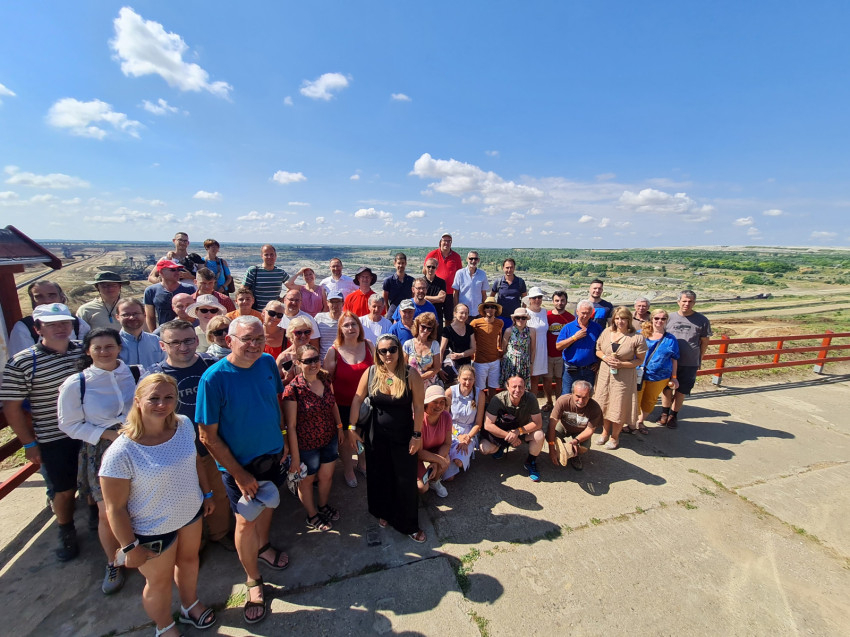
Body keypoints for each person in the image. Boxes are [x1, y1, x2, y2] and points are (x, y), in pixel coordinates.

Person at [100, 374, 216, 637]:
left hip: (190, 512)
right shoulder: (120, 452)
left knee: (189, 561)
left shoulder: (183, 424)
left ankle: (190, 605)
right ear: (138, 401)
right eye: (154, 398)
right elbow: (114, 508)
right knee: (158, 582)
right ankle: (164, 626)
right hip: (152, 529)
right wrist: (130, 546)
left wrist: (207, 493)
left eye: (168, 397)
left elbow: (195, 460)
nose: (162, 404)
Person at [196, 316, 289, 625]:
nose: (254, 345)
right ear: (229, 341)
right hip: (241, 467)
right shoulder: (213, 379)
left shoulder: (267, 363)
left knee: (268, 506)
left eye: (259, 339)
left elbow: (274, 402)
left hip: (272, 456)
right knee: (245, 522)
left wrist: (283, 439)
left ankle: (263, 547)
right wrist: (239, 474)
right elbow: (207, 436)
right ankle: (252, 580)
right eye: (247, 339)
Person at [57, 327, 139, 594]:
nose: (104, 352)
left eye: (110, 346)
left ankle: (143, 551)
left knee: (139, 503)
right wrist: (108, 434)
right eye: (98, 348)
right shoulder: (77, 383)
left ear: (119, 348)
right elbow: (68, 424)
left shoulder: (135, 373)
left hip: (138, 444)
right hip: (101, 449)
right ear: (88, 351)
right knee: (108, 510)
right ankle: (113, 562)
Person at [0, 303, 85, 560]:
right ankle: (66, 530)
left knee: (95, 483)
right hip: (53, 436)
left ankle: (96, 523)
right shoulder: (23, 362)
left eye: (65, 323)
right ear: (38, 329)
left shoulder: (84, 350)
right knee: (64, 489)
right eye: (52, 324)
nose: (60, 328)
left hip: (90, 431)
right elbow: (12, 407)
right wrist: (28, 443)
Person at [149, 320, 232, 551]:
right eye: (175, 342)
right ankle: (194, 542)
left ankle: (220, 532)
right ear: (163, 345)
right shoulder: (155, 375)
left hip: (214, 445)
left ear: (197, 340)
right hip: (178, 450)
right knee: (185, 498)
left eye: (188, 340)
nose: (183, 347)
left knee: (219, 493)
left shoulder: (211, 364)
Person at [348, 334, 426, 542]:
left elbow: (419, 407)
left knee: (405, 478)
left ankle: (408, 524)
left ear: (399, 350)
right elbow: (357, 399)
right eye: (383, 351)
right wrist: (351, 427)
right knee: (380, 475)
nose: (388, 354)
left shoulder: (411, 374)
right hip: (376, 435)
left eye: (392, 349)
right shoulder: (371, 372)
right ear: (378, 353)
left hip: (403, 435)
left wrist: (417, 435)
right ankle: (384, 512)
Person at [283, 344, 345, 531]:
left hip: (329, 438)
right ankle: (312, 515)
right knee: (307, 481)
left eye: (315, 359)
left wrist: (340, 427)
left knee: (326, 477)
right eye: (308, 361)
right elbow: (291, 426)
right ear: (298, 363)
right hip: (306, 445)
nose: (313, 364)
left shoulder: (325, 379)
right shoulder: (293, 390)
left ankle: (323, 506)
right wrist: (295, 457)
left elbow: (333, 404)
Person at [324, 311, 374, 487]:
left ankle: (362, 463)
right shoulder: (334, 351)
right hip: (342, 405)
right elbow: (326, 382)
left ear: (359, 327)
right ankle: (348, 469)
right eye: (346, 325)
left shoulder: (368, 345)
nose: (351, 328)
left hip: (365, 403)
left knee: (364, 435)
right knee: (345, 439)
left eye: (354, 324)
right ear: (340, 329)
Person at [594, 306, 647, 450]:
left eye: (623, 318)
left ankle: (615, 437)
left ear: (629, 320)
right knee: (604, 402)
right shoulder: (607, 332)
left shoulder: (636, 337)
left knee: (618, 405)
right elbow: (598, 350)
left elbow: (640, 360)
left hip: (624, 376)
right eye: (617, 318)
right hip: (605, 373)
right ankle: (605, 433)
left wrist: (621, 364)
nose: (620, 321)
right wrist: (605, 357)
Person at [479, 376, 545, 482]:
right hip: (502, 433)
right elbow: (488, 424)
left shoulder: (531, 398)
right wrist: (509, 436)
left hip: (522, 431)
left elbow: (538, 423)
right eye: (514, 386)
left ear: (525, 387)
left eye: (520, 387)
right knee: (484, 448)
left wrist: (518, 431)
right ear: (507, 386)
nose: (517, 390)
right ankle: (500, 447)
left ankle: (530, 462)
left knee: (539, 435)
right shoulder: (498, 399)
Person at [662, 290, 712, 429]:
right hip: (668, 361)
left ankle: (673, 415)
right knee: (666, 388)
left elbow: (704, 342)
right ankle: (664, 413)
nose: (687, 304)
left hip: (689, 362)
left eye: (690, 301)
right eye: (684, 301)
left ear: (694, 303)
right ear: (678, 302)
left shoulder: (702, 320)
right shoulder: (669, 318)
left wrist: (699, 359)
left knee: (682, 390)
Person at [8, 281, 89, 354]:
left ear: (61, 297)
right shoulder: (23, 328)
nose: (47, 301)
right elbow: (22, 359)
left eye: (52, 295)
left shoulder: (79, 324)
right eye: (39, 297)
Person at [634, 309, 679, 433]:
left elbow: (674, 359)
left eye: (663, 319)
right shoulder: (640, 334)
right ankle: (632, 422)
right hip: (638, 373)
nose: (660, 321)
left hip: (660, 376)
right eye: (657, 318)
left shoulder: (671, 339)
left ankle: (640, 422)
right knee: (635, 399)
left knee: (650, 400)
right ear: (651, 319)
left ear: (666, 320)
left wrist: (674, 377)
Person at [546, 380, 602, 471]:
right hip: (564, 426)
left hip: (581, 431)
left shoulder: (595, 408)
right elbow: (552, 424)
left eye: (585, 397)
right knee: (549, 434)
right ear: (572, 393)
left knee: (585, 447)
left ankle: (574, 455)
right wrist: (551, 448)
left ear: (590, 397)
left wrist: (576, 441)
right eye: (578, 396)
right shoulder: (563, 401)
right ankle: (564, 448)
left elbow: (590, 430)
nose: (581, 401)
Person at [442, 365, 485, 481]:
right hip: (451, 430)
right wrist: (458, 435)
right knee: (449, 478)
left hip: (469, 432)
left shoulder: (480, 395)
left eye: (470, 379)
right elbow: (445, 419)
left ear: (474, 379)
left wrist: (467, 437)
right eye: (465, 379)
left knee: (458, 462)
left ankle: (460, 458)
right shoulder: (450, 392)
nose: (467, 382)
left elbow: (478, 423)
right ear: (459, 378)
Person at [556, 300, 603, 394]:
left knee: (586, 396)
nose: (585, 316)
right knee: (567, 395)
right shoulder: (568, 327)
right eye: (583, 313)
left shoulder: (597, 328)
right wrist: (574, 337)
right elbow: (559, 346)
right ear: (577, 312)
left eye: (588, 313)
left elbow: (602, 347)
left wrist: (598, 362)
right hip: (571, 370)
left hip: (589, 370)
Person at [416, 385, 452, 498]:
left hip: (435, 450)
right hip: (417, 454)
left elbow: (447, 443)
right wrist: (438, 460)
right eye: (435, 402)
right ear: (426, 403)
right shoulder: (418, 419)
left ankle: (434, 481)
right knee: (422, 487)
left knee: (445, 461)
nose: (439, 406)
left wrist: (436, 463)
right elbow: (419, 452)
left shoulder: (446, 416)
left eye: (442, 402)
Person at [144, 259, 196, 332]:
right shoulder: (151, 291)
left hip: (187, 330)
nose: (177, 272)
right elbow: (150, 316)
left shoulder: (189, 289)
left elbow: (195, 312)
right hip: (164, 331)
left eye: (178, 270)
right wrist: (153, 334)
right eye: (173, 270)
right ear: (161, 272)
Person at [545, 290, 574, 410]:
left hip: (563, 355)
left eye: (562, 300)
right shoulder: (546, 316)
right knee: (547, 379)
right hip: (547, 353)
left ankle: (558, 403)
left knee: (560, 379)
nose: (560, 303)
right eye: (557, 300)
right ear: (553, 301)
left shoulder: (571, 318)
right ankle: (549, 402)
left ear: (566, 301)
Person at [425, 233, 462, 327]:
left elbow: (459, 274)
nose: (446, 243)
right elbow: (424, 270)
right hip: (435, 290)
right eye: (444, 240)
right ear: (440, 242)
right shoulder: (432, 254)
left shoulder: (456, 256)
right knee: (434, 316)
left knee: (449, 317)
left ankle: (446, 334)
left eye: (449, 241)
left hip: (450, 292)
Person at [116, 298, 165, 368]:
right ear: (117, 317)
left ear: (144, 315)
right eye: (126, 314)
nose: (132, 317)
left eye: (136, 313)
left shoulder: (156, 340)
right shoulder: (113, 343)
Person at [470, 296, 504, 398]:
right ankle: (480, 405)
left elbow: (499, 337)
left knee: (493, 387)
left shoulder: (500, 323)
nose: (490, 309)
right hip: (480, 361)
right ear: (484, 309)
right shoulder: (475, 323)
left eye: (492, 307)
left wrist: (499, 349)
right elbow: (469, 337)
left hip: (495, 360)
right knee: (479, 388)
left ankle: (491, 406)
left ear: (496, 309)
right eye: (487, 307)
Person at [242, 244, 290, 311]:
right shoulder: (253, 271)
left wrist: (284, 298)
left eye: (272, 254)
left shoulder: (280, 272)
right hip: (256, 312)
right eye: (266, 255)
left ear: (275, 256)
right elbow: (243, 290)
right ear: (262, 256)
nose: (269, 257)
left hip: (273, 313)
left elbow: (292, 287)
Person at [403, 312, 442, 389]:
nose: (425, 330)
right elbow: (403, 366)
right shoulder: (408, 344)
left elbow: (436, 368)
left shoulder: (435, 344)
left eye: (429, 328)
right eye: (423, 327)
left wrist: (420, 377)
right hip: (412, 384)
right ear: (417, 325)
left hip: (430, 385)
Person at [500, 307, 536, 390]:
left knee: (522, 387)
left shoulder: (531, 331)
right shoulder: (509, 331)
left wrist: (531, 364)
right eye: (518, 317)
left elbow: (533, 349)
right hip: (510, 363)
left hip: (524, 363)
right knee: (510, 386)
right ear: (514, 319)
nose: (520, 320)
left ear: (526, 319)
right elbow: (503, 348)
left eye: (523, 318)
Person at [439, 303, 475, 385]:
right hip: (451, 366)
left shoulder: (470, 328)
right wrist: (439, 368)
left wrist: (461, 355)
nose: (464, 315)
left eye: (466, 313)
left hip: (466, 366)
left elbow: (473, 349)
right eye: (461, 313)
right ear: (455, 313)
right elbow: (441, 350)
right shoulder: (447, 330)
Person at [525, 288, 550, 405]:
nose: (537, 300)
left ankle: (532, 406)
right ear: (529, 299)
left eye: (539, 297)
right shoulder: (525, 313)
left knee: (535, 379)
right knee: (526, 379)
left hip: (542, 350)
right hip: (529, 349)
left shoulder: (544, 312)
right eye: (534, 297)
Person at [490, 258, 527, 330]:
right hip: (500, 317)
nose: (509, 270)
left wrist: (522, 314)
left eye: (511, 267)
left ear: (514, 268)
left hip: (515, 318)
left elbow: (525, 299)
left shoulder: (520, 282)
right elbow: (491, 297)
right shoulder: (498, 282)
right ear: (503, 268)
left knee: (513, 337)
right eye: (507, 267)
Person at [276, 316, 315, 385]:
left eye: (307, 332)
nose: (303, 336)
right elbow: (274, 384)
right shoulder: (284, 357)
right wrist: (287, 380)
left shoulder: (313, 353)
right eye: (298, 333)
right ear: (291, 335)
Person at [453, 251, 488, 320]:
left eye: (475, 259)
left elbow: (484, 294)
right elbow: (455, 293)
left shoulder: (482, 274)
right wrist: (456, 311)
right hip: (463, 313)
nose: (473, 261)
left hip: (478, 313)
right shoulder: (460, 273)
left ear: (478, 260)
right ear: (467, 259)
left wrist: (484, 310)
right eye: (471, 258)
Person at [383, 252, 415, 318]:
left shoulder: (411, 281)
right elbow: (385, 298)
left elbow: (413, 297)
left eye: (403, 263)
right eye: (399, 263)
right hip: (393, 310)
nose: (401, 265)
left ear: (406, 264)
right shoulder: (388, 281)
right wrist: (387, 310)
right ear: (394, 263)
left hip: (408, 311)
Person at [314, 291, 344, 361]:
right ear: (327, 303)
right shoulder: (319, 318)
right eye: (332, 302)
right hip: (323, 360)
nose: (335, 305)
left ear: (343, 303)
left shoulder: (348, 319)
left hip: (342, 360)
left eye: (338, 302)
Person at [422, 257, 447, 332]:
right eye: (428, 266)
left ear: (436, 268)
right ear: (425, 267)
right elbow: (418, 298)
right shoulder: (421, 282)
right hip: (423, 314)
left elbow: (442, 299)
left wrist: (425, 298)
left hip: (437, 315)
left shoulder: (441, 282)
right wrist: (437, 298)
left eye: (433, 267)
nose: (430, 269)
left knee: (437, 336)